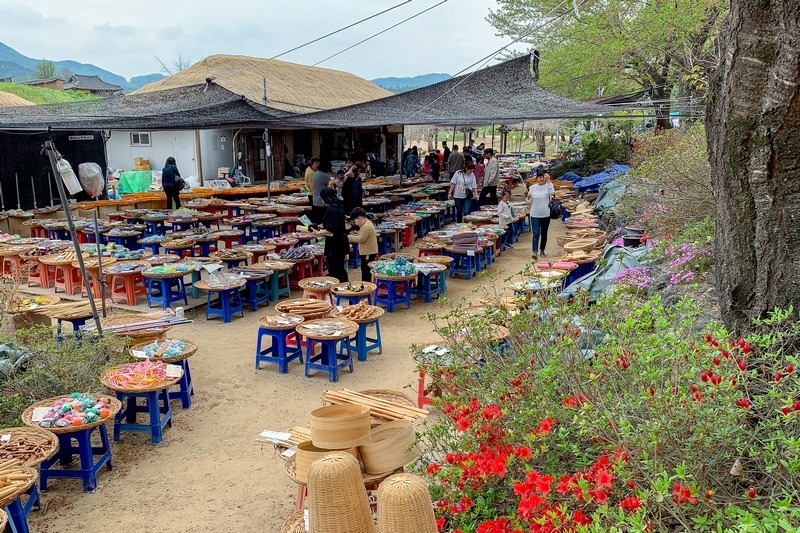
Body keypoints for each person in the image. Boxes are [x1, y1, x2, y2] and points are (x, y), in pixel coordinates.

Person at [315, 187, 349, 282]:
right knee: (339, 267)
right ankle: (343, 287)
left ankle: (338, 289)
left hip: (335, 243)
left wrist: (318, 232)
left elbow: (331, 229)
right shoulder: (338, 206)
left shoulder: (331, 209)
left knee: (335, 268)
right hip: (341, 241)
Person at [526, 171, 555, 259]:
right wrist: (528, 198)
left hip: (546, 214)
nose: (541, 179)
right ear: (536, 178)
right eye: (539, 177)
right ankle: (535, 251)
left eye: (543, 177)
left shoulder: (548, 186)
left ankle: (542, 250)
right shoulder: (533, 188)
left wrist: (549, 181)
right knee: (536, 233)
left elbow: (553, 193)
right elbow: (528, 202)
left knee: (544, 233)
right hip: (535, 214)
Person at [347, 207, 378, 281]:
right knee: (364, 269)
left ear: (359, 218)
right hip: (368, 250)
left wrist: (349, 237)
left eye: (355, 220)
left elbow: (361, 239)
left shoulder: (366, 226)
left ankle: (366, 286)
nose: (356, 223)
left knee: (365, 270)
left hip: (368, 251)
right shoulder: (368, 223)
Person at [311, 159, 332, 223]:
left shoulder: (315, 174)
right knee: (322, 221)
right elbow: (331, 186)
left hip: (315, 200)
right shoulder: (325, 176)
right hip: (322, 202)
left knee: (316, 220)